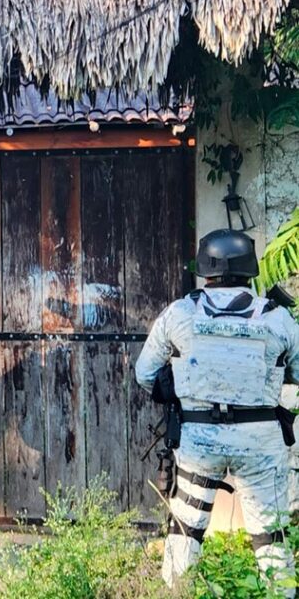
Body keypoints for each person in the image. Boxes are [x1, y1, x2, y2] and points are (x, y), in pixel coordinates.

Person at [136, 229, 299, 595]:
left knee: (185, 531)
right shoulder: (276, 317)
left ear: (205, 267)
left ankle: (175, 592)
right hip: (260, 442)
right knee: (271, 537)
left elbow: (144, 374)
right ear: (250, 268)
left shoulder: (180, 312)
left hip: (198, 440)